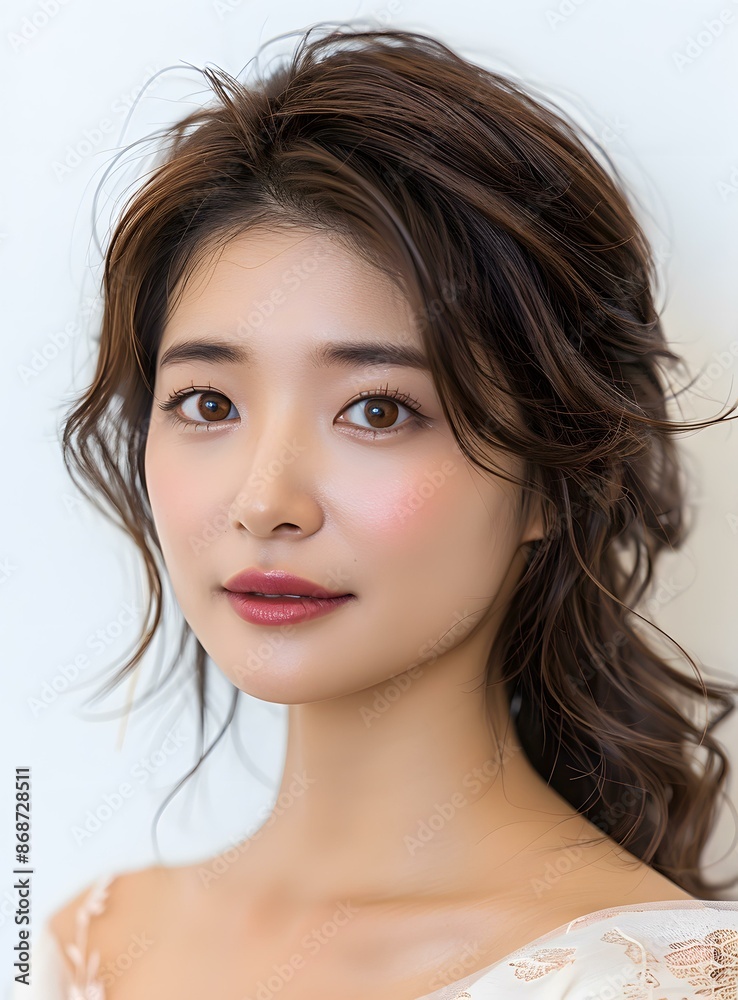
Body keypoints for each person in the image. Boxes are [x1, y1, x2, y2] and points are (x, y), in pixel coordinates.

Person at [19, 21, 738, 1000]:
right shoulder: (86, 942)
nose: (266, 501)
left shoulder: (675, 977)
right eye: (209, 403)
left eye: (378, 410)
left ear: (548, 476)